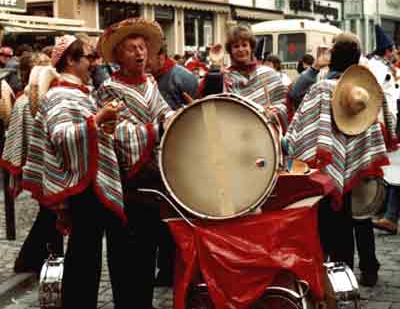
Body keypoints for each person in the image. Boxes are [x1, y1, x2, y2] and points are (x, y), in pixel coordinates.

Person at [22, 35, 131, 309]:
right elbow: (62, 136)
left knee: (87, 255)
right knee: (84, 257)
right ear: (71, 61)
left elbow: (86, 134)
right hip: (83, 187)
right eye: (88, 57)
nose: (94, 63)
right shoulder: (61, 94)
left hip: (88, 184)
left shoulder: (81, 92)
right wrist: (99, 119)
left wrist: (104, 127)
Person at [284, 32, 396, 287]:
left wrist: (315, 66)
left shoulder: (322, 88)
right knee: (361, 214)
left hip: (328, 164)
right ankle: (368, 269)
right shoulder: (365, 89)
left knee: (333, 219)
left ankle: (335, 273)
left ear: (333, 57)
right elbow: (383, 124)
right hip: (361, 162)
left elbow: (296, 101)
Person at [96, 18, 173, 309]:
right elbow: (118, 134)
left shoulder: (150, 83)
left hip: (154, 181)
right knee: (126, 250)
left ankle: (143, 302)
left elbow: (164, 112)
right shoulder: (108, 89)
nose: (139, 54)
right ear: (117, 56)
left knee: (148, 248)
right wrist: (155, 130)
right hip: (126, 183)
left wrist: (174, 118)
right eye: (131, 49)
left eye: (142, 48)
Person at [0, 53, 64, 275]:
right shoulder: (24, 103)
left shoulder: (54, 97)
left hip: (53, 167)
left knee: (52, 214)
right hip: (40, 167)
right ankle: (34, 259)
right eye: (42, 67)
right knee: (50, 213)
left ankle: (43, 259)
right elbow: (20, 138)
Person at [147, 43, 198, 286]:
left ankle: (174, 268)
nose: (144, 60)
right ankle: (164, 268)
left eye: (149, 55)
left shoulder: (182, 77)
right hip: (155, 156)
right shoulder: (148, 79)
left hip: (181, 154)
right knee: (160, 218)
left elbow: (199, 110)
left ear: (161, 55)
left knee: (176, 216)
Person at [199, 25, 288, 131]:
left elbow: (285, 105)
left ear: (251, 48)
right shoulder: (225, 78)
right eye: (236, 46)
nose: (241, 49)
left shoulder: (268, 74)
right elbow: (208, 107)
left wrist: (275, 113)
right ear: (230, 51)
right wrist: (214, 73)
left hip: (266, 137)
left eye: (244, 45)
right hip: (235, 136)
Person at [369, 25, 400, 234]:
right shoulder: (380, 69)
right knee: (391, 169)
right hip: (383, 123)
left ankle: (387, 214)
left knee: (392, 170)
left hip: (387, 122)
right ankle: (386, 214)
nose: (395, 53)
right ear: (387, 51)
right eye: (393, 50)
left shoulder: (378, 65)